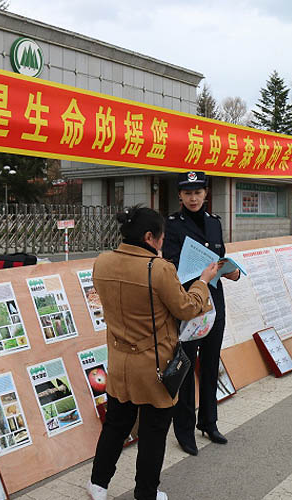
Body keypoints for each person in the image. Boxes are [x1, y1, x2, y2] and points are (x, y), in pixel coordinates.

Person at [87, 206, 218, 500]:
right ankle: (146, 492)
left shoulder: (103, 262)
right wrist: (203, 281)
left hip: (119, 362)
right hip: (154, 366)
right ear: (149, 237)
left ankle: (98, 484)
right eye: (160, 238)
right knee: (153, 431)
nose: (162, 243)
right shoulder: (159, 269)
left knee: (116, 424)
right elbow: (185, 307)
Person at [162, 171, 241, 456]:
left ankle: (209, 421)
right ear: (180, 196)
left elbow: (220, 258)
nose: (193, 198)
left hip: (214, 305)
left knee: (210, 365)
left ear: (206, 194)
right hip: (189, 305)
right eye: (187, 193)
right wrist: (199, 275)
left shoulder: (214, 223)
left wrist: (230, 271)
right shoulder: (172, 225)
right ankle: (184, 430)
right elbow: (168, 264)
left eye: (198, 192)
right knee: (185, 368)